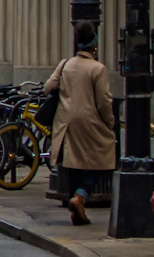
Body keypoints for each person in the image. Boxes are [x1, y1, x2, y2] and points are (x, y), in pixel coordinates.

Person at [43, 22, 118, 226]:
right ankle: (81, 196)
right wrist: (110, 122)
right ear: (94, 46)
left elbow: (48, 87)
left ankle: (76, 206)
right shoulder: (97, 68)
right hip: (89, 120)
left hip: (66, 121)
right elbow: (104, 101)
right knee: (104, 155)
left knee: (73, 162)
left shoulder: (66, 64)